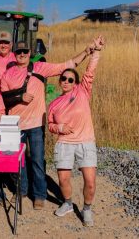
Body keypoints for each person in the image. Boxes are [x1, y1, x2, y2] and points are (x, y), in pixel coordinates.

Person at [0, 40, 95, 210]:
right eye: (19, 52)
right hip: (15, 124)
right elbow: (4, 98)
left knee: (37, 160)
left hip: (36, 123)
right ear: (14, 53)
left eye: (25, 51)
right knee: (18, 161)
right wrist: (19, 98)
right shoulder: (8, 74)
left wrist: (86, 51)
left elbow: (67, 65)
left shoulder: (39, 68)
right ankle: (21, 191)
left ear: (30, 53)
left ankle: (39, 195)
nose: (22, 54)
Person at [48, 36, 105, 227]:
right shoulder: (54, 103)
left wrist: (96, 52)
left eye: (70, 79)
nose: (65, 81)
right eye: (63, 78)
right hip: (64, 143)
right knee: (63, 179)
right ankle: (68, 204)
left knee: (90, 181)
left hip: (85, 142)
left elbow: (90, 72)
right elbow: (50, 125)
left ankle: (87, 209)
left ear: (75, 82)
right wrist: (60, 128)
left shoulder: (82, 92)